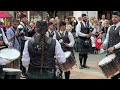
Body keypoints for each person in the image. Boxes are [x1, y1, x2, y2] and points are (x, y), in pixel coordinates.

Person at [101, 11, 120, 79]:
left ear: (119, 18)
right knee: (112, 71)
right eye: (112, 17)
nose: (113, 18)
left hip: (118, 51)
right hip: (111, 51)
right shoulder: (110, 27)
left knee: (118, 71)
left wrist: (114, 47)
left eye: (115, 17)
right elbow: (107, 38)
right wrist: (104, 43)